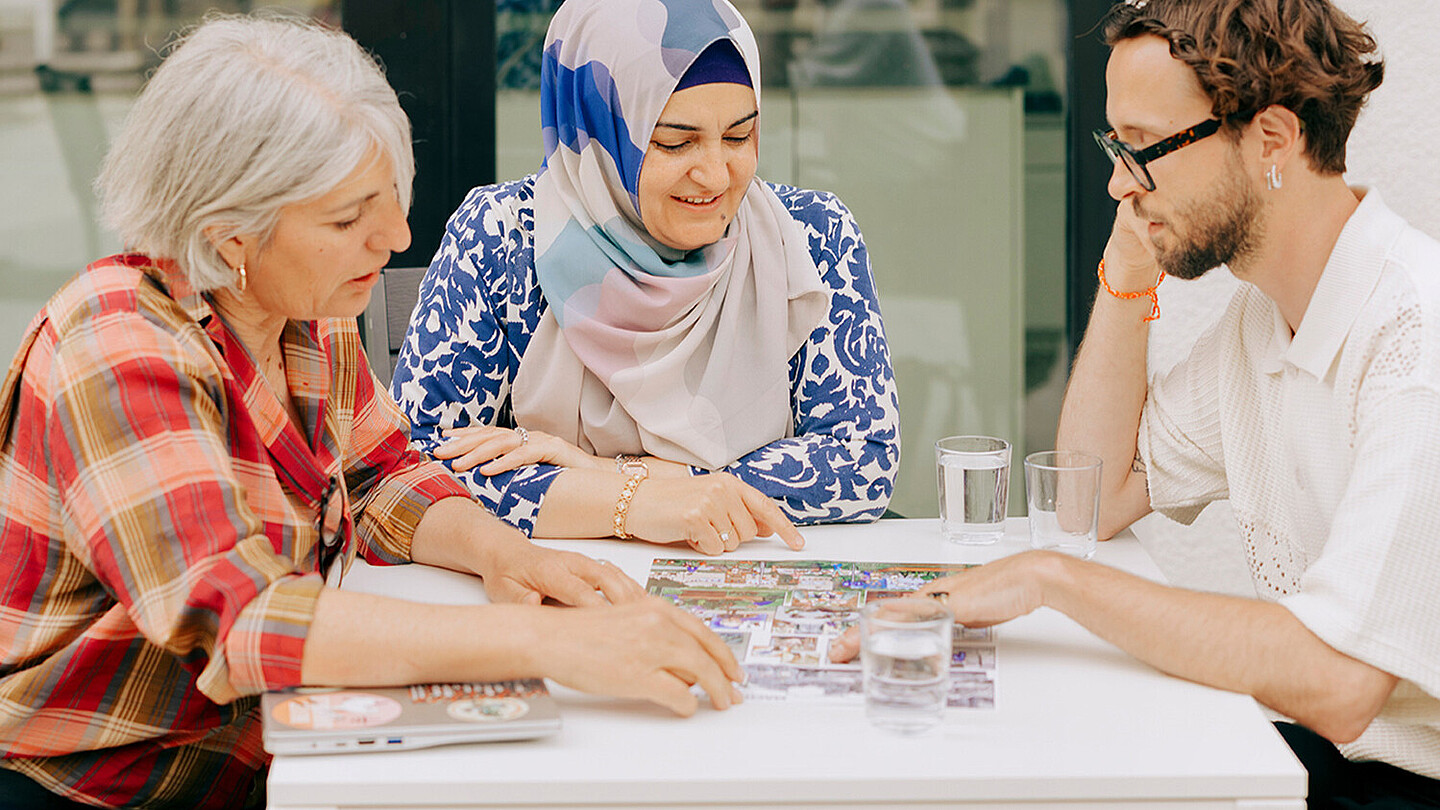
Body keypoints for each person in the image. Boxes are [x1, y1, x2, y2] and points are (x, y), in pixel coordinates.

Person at [0, 15, 743, 810]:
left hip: (258, 752)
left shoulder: (301, 307)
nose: (396, 237)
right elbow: (242, 621)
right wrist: (550, 643)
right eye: (349, 218)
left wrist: (502, 554)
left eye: (390, 198)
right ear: (230, 235)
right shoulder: (118, 349)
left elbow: (384, 472)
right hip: (106, 787)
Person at [831, 0, 1440, 805]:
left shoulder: (1414, 345)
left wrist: (1051, 581)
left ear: (1272, 141)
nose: (1119, 182)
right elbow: (1095, 492)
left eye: (1143, 149)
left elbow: (1340, 681)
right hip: (1321, 759)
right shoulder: (1261, 320)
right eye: (1113, 146)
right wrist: (1126, 274)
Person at [390, 0, 901, 555]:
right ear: (600, 129)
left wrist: (632, 478)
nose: (714, 175)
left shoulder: (807, 236)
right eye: (674, 142)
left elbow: (862, 459)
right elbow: (412, 469)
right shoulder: (504, 238)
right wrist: (636, 504)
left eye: (739, 137)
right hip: (561, 598)